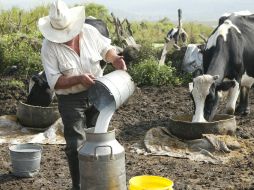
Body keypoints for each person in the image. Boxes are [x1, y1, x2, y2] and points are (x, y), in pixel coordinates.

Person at [37, 0, 127, 189]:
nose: (67, 36)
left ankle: (100, 181)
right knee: (76, 144)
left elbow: (105, 50)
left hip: (98, 91)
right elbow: (54, 82)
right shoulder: (49, 47)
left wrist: (115, 59)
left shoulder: (89, 31)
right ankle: (79, 185)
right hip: (70, 99)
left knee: (100, 138)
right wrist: (78, 79)